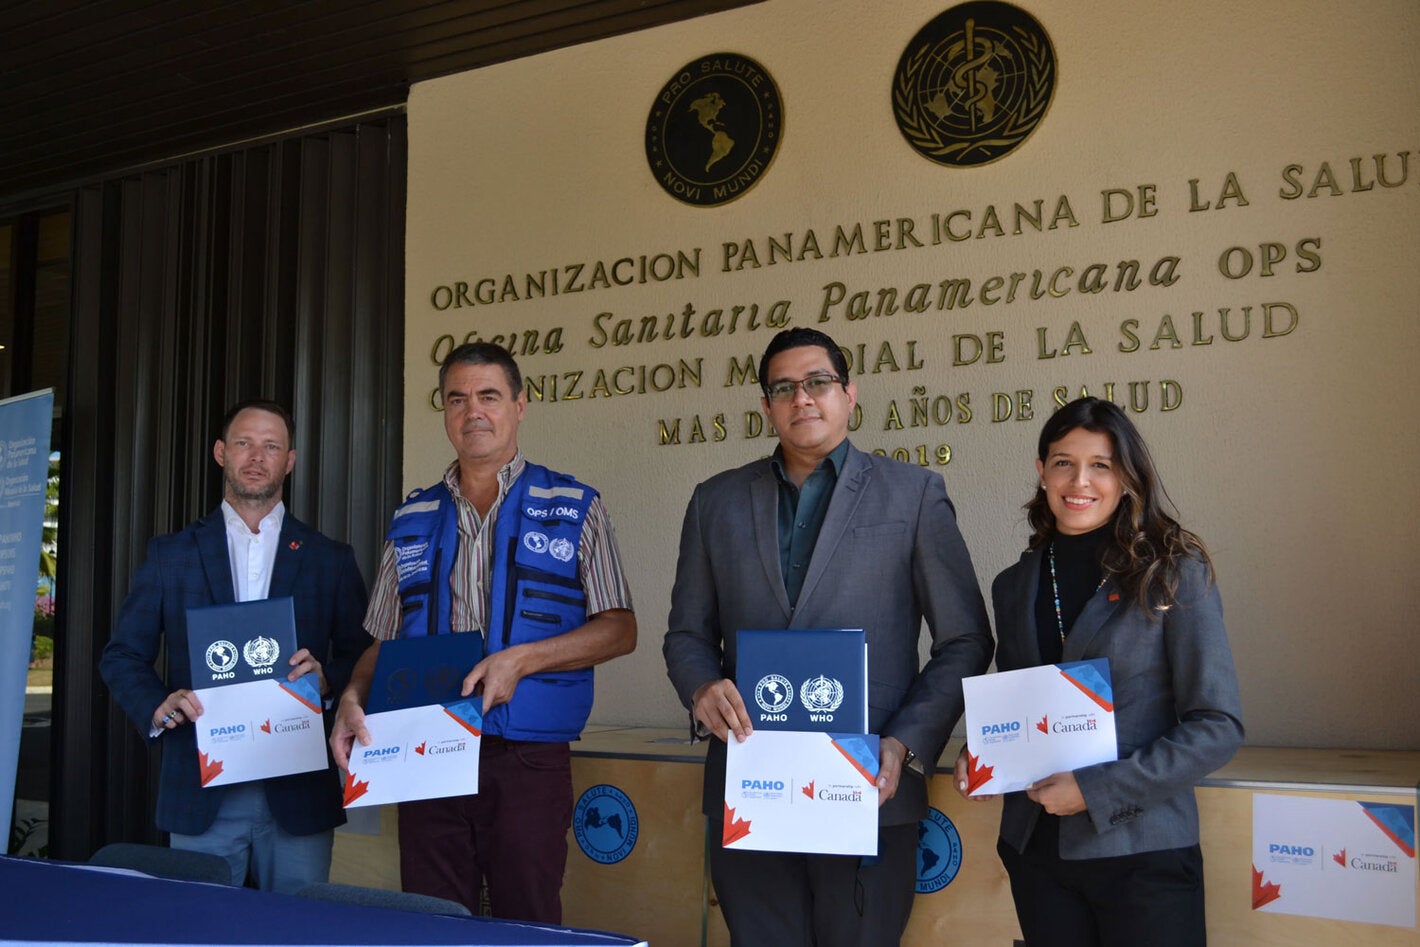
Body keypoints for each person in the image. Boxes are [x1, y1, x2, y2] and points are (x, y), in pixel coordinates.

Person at [663, 326, 993, 946]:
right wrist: (701, 686)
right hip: (752, 787)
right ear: (766, 407)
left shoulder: (914, 494)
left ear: (849, 394)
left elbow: (967, 640)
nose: (802, 399)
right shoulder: (716, 502)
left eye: (818, 382)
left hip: (869, 784)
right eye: (783, 388)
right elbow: (686, 633)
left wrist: (905, 744)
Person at [330, 341, 636, 923]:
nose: (474, 411)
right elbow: (382, 640)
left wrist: (522, 659)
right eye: (458, 398)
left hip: (525, 756)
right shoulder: (411, 518)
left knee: (527, 920)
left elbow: (620, 629)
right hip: (425, 752)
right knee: (432, 920)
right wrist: (350, 697)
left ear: (520, 405)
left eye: (490, 396)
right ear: (444, 411)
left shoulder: (576, 506)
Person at [954, 396, 1244, 947]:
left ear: (1127, 477)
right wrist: (985, 754)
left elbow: (1217, 725)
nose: (1079, 480)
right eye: (1063, 462)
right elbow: (1021, 706)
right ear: (1042, 472)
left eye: (1101, 465)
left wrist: (1097, 790)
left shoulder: (1173, 572)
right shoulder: (1014, 586)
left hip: (1142, 852)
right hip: (1037, 853)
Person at [100, 399, 371, 893]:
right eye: (244, 443)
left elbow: (364, 656)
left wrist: (329, 676)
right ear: (221, 453)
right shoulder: (171, 555)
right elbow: (122, 656)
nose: (256, 457)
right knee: (198, 935)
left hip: (298, 793)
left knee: (296, 937)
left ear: (289, 460)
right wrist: (157, 704)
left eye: (271, 446)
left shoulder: (330, 559)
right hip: (202, 788)